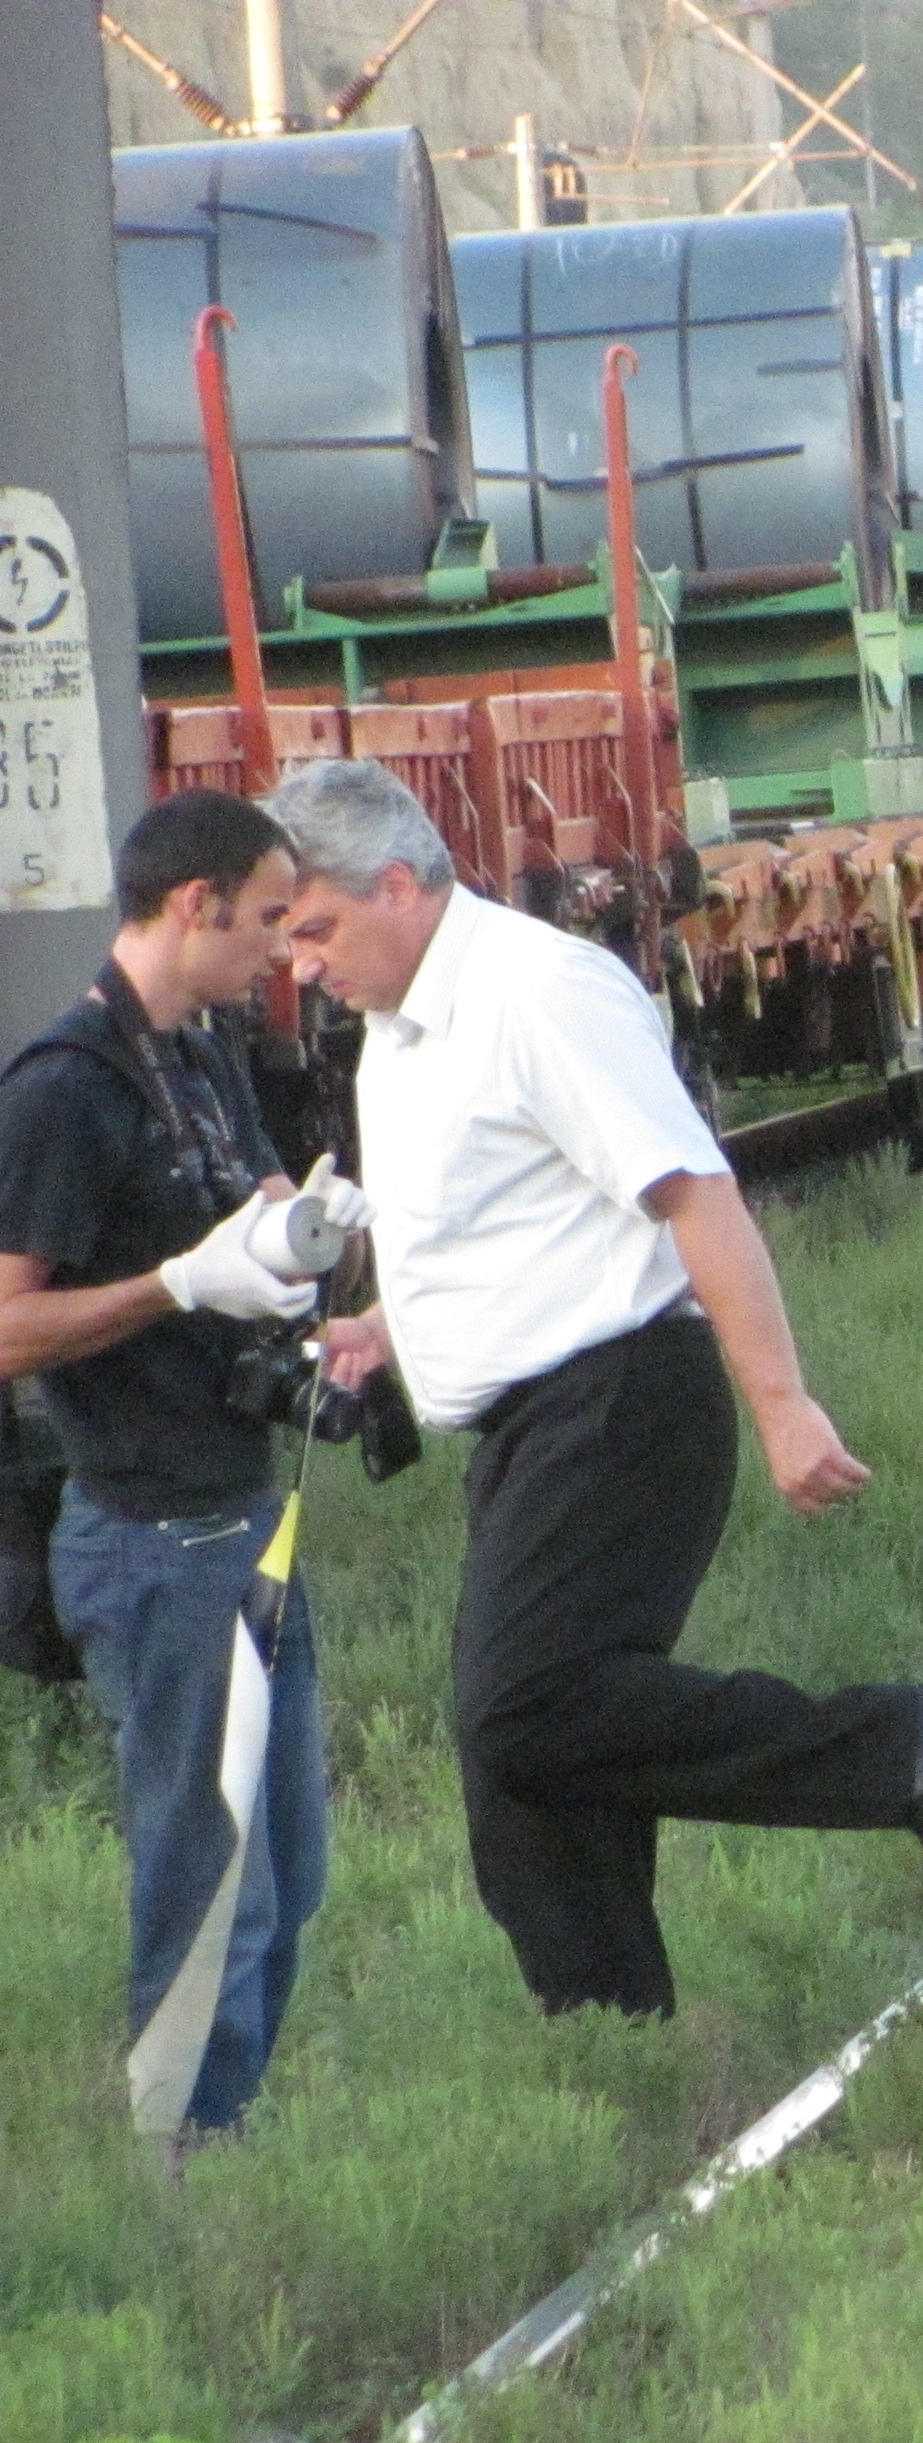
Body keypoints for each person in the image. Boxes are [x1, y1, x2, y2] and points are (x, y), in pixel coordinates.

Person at [268, 760, 923, 2021]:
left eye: (315, 929)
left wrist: (783, 1404)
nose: (303, 967)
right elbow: (504, 1222)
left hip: (623, 1405)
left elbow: (692, 1193)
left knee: (525, 1707)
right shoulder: (398, 1027)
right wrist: (392, 1327)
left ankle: (892, 1748)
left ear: (396, 885)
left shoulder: (538, 992)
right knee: (527, 1782)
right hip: (535, 1428)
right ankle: (614, 2046)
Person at [0, 792, 366, 2137]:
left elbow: (258, 1214)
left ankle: (229, 2137)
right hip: (151, 1546)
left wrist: (304, 1238)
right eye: (268, 917)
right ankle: (181, 2169)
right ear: (195, 905)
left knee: (293, 1873)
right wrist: (171, 1282)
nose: (285, 943)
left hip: (244, 1521)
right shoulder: (67, 1088)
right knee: (214, 1892)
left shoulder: (201, 1054)